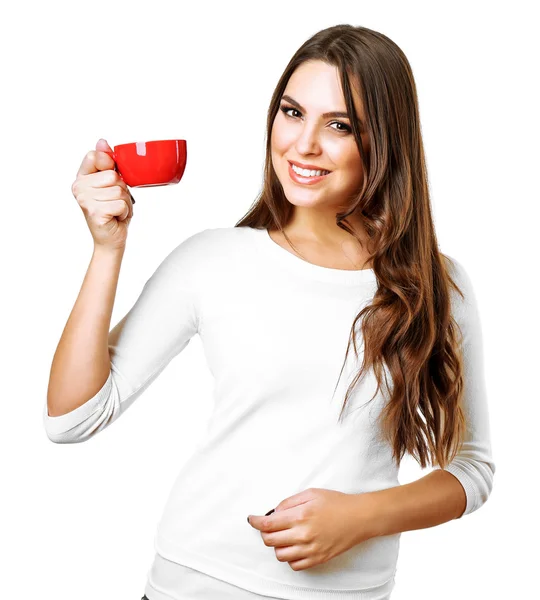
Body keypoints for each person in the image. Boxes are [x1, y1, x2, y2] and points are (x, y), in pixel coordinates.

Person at [44, 23, 496, 600]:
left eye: (340, 125)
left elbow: (473, 470)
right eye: (291, 112)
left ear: (385, 140)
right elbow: (71, 419)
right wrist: (108, 249)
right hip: (193, 583)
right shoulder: (214, 259)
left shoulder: (438, 284)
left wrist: (362, 517)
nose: (303, 144)